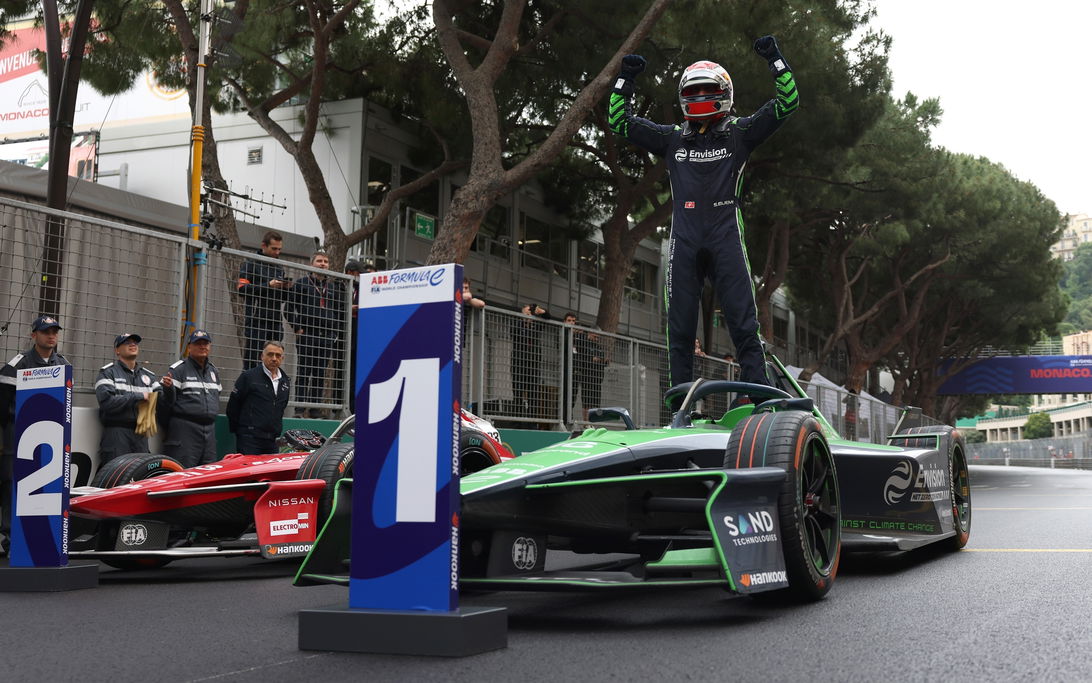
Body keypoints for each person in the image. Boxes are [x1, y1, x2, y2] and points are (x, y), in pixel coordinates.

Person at [608, 37, 799, 395]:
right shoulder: (671, 139)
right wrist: (625, 79)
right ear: (682, 97)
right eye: (692, 91)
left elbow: (787, 103)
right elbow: (620, 122)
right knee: (679, 329)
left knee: (744, 324)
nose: (699, 97)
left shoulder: (741, 133)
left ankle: (759, 399)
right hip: (684, 239)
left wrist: (775, 58)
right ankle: (680, 408)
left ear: (724, 93)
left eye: (707, 90)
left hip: (726, 236)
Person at [0, 315, 71, 555]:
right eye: (45, 331)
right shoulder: (18, 364)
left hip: (50, 434)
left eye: (54, 331)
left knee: (47, 484)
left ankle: (43, 536)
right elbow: (3, 403)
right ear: (34, 335)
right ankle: (10, 538)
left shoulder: (62, 363)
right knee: (13, 484)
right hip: (16, 432)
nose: (51, 336)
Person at [286, 250, 345, 418]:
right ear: (312, 264)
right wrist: (297, 327)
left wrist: (334, 332)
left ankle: (315, 410)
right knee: (304, 372)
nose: (323, 264)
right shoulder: (302, 284)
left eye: (326, 262)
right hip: (307, 335)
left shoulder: (333, 288)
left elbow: (340, 313)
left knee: (320, 373)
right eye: (319, 261)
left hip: (326, 337)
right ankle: (299, 410)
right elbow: (289, 308)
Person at [95, 332, 161, 465]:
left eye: (135, 342)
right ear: (117, 350)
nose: (132, 344)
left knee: (139, 479)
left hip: (141, 434)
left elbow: (162, 400)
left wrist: (169, 389)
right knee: (116, 478)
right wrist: (139, 397)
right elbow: (107, 403)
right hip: (117, 434)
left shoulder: (148, 375)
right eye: (127, 342)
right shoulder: (108, 373)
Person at [161, 330, 221, 468]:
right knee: (183, 473)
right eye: (198, 344)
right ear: (189, 347)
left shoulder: (214, 372)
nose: (202, 347)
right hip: (185, 431)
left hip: (209, 432)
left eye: (205, 343)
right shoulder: (178, 370)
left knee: (208, 475)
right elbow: (164, 405)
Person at [238, 230, 291, 370]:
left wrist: (286, 288)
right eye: (274, 248)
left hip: (275, 322)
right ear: (263, 245)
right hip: (257, 320)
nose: (277, 252)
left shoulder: (279, 267)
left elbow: (283, 299)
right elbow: (242, 288)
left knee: (273, 363)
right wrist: (268, 285)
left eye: (280, 249)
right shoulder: (251, 262)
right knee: (252, 363)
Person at [226, 341, 290, 455]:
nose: (274, 358)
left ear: (282, 358)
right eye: (270, 354)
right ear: (262, 356)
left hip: (272, 441)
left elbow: (281, 407)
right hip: (249, 439)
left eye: (278, 355)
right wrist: (243, 431)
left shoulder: (285, 381)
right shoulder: (249, 377)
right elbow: (233, 406)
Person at [510, 303, 549, 418]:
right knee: (518, 393)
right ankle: (516, 420)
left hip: (533, 365)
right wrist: (524, 320)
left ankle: (532, 421)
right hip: (519, 364)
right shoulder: (517, 324)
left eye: (530, 312)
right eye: (527, 311)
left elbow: (548, 317)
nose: (529, 314)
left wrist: (541, 312)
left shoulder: (536, 326)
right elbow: (512, 332)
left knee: (533, 394)